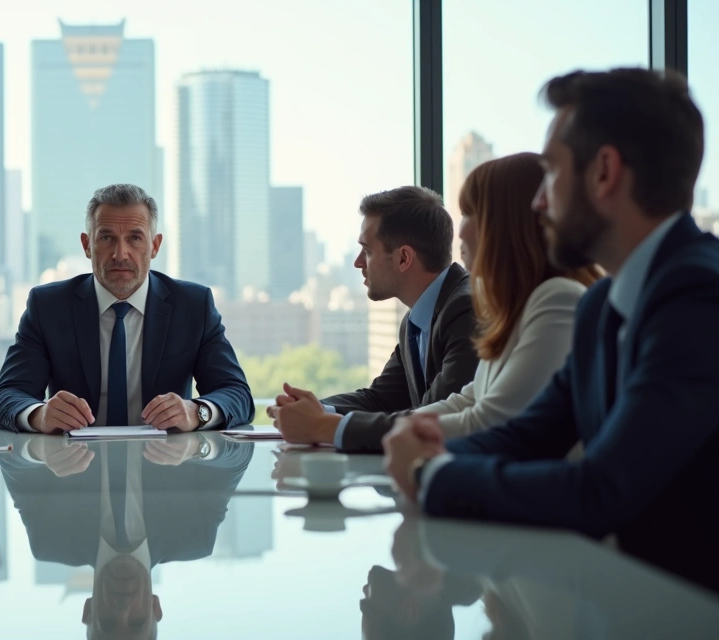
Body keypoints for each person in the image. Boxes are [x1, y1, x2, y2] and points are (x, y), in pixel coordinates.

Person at [383, 67, 719, 593]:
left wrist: (432, 474)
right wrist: (428, 444)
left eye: (551, 174)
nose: (539, 203)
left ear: (604, 172)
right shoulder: (603, 305)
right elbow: (529, 434)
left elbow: (601, 490)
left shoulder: (700, 297)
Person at [272, 154, 601, 451]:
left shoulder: (528, 302)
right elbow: (456, 403)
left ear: (502, 226)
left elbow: (481, 421)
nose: (459, 233)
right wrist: (319, 414)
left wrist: (326, 426)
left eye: (469, 213)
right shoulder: (508, 310)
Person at [0, 184, 254, 433]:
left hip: (166, 471)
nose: (120, 253)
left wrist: (197, 412)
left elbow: (236, 394)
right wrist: (39, 415)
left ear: (154, 246)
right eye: (106, 237)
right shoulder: (48, 307)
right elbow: (7, 396)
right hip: (74, 471)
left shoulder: (193, 306)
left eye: (135, 238)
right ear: (86, 245)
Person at [267, 187, 478, 450]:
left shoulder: (465, 309)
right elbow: (381, 399)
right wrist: (314, 409)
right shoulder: (415, 320)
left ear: (403, 258)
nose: (357, 263)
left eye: (366, 250)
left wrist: (320, 424)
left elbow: (433, 419)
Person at [0, 434, 253, 640]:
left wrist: (39, 450)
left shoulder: (50, 540)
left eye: (107, 622)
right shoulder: (195, 537)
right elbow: (241, 452)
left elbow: (5, 453)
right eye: (137, 622)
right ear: (155, 609)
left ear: (88, 610)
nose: (122, 607)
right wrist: (198, 447)